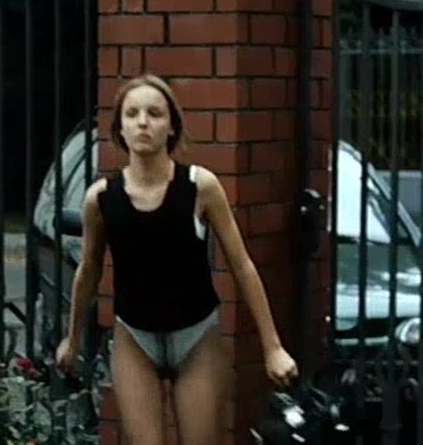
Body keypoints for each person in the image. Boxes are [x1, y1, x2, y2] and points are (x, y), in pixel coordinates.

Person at [55, 74, 298, 445]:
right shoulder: (100, 199)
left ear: (171, 126)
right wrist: (71, 340)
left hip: (195, 335)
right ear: (119, 128)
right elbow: (88, 271)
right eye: (132, 114)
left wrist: (273, 348)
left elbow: (242, 266)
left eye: (154, 113)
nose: (143, 122)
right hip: (135, 336)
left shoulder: (200, 186)